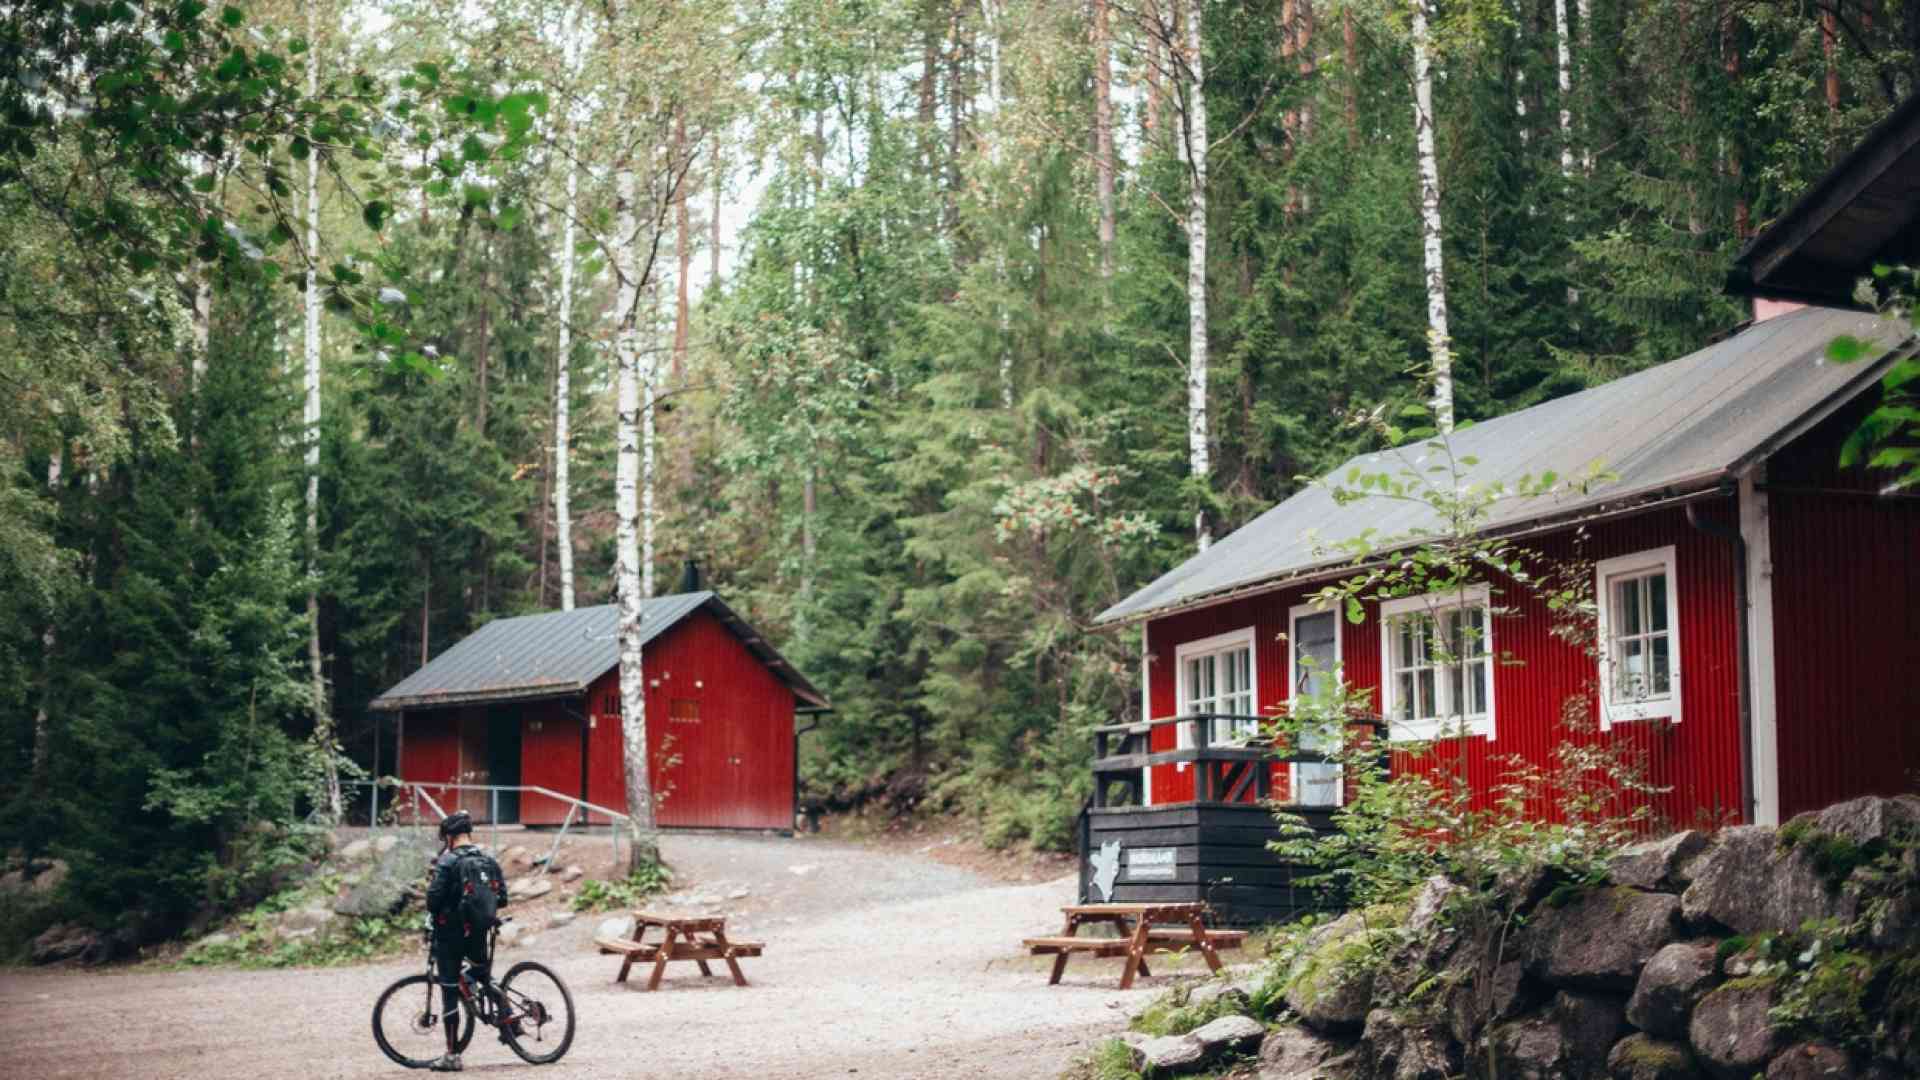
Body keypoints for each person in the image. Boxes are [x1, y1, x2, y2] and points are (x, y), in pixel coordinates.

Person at [424, 810, 509, 1073]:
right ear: (468, 834)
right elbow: (502, 898)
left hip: (450, 934)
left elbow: (432, 901)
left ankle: (452, 1056)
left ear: (449, 837)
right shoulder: (487, 859)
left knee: (449, 988)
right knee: (482, 974)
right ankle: (510, 1023)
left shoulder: (448, 861)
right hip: (480, 931)